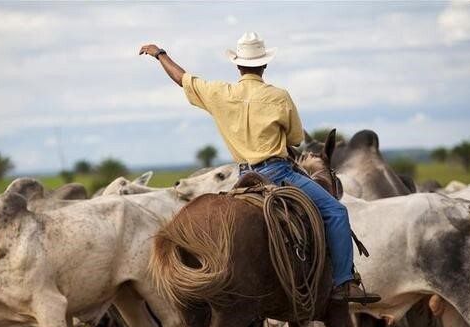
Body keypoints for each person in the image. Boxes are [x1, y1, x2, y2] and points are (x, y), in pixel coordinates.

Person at [139, 32, 380, 304]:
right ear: (264, 65)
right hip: (281, 174)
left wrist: (160, 54)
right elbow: (296, 139)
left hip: (245, 177)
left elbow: (182, 78)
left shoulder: (220, 93)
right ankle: (344, 283)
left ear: (238, 65)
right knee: (337, 212)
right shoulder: (279, 97)